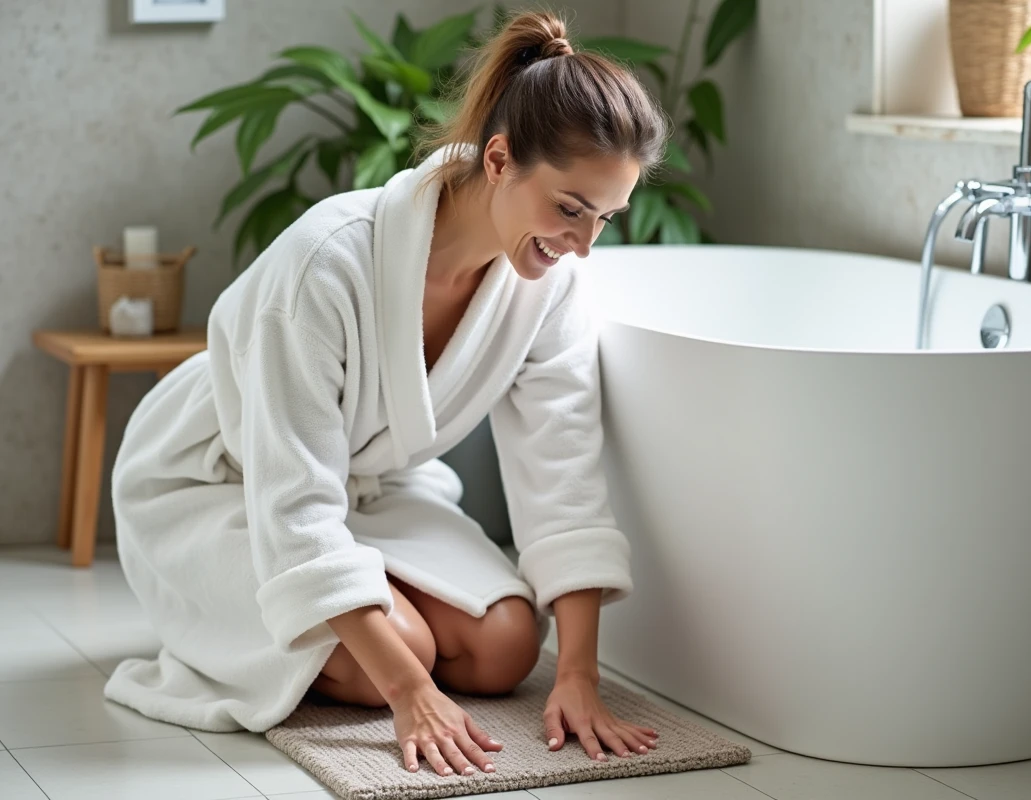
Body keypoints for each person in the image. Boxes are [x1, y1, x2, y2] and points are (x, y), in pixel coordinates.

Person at [102, 9, 670, 779]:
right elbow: (294, 504)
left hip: (368, 488)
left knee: (507, 646)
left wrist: (578, 676)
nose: (583, 244)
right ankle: (291, 623)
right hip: (218, 482)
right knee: (394, 660)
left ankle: (375, 615)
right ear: (498, 159)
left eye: (605, 217)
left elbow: (561, 473)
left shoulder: (552, 286)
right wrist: (409, 689)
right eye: (570, 208)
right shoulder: (326, 262)